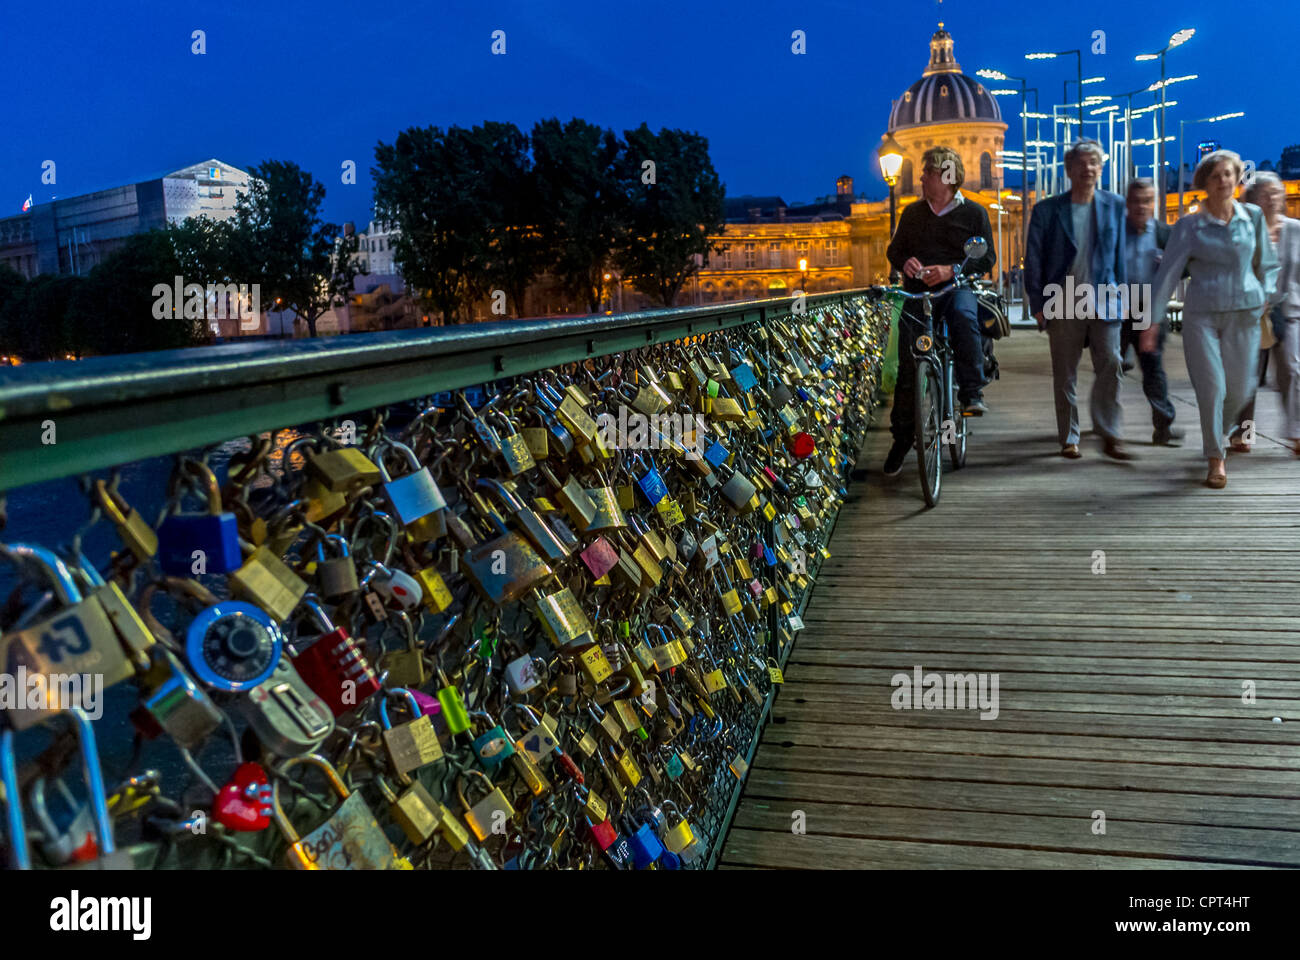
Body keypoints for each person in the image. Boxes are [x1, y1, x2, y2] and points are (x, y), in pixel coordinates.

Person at [1144, 150, 1279, 488]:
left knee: (1241, 388)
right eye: (1215, 175)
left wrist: (1267, 291)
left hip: (1245, 312)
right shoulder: (1190, 226)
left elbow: (1269, 264)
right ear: (1204, 183)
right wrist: (1152, 320)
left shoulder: (1253, 217)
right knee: (1211, 387)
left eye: (1228, 174)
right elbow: (1168, 274)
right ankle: (1215, 458)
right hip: (1202, 313)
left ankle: (1221, 433)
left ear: (1237, 179)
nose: (1223, 180)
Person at [880, 145, 995, 476]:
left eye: (927, 171)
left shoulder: (974, 214)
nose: (920, 177)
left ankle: (971, 392)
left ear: (946, 176)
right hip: (918, 297)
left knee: (963, 315)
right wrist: (906, 262)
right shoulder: (913, 214)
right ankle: (902, 441)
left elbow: (986, 258)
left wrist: (951, 270)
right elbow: (895, 251)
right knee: (907, 372)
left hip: (953, 289)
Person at [1024, 140, 1132, 460]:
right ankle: (1069, 436)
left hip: (1105, 299)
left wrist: (1124, 297)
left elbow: (1119, 257)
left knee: (1111, 364)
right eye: (1081, 163)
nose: (1088, 168)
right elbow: (1034, 259)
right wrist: (1039, 305)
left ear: (1101, 169)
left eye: (1094, 163)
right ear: (1069, 170)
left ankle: (1109, 430)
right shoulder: (1047, 210)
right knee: (1065, 373)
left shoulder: (1114, 205)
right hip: (1064, 299)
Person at [1229, 171, 1300, 456]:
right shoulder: (1243, 229)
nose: (1272, 198)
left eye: (1277, 192)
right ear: (1252, 198)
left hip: (1290, 310)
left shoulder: (1295, 229)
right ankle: (1244, 433)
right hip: (1252, 313)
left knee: (1294, 370)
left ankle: (1296, 433)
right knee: (1248, 376)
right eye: (1265, 193)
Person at [1118, 178, 1183, 445]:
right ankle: (1107, 424)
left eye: (1147, 200)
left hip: (1149, 305)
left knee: (1153, 369)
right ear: (1128, 203)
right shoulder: (1116, 232)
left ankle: (1163, 426)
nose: (1141, 206)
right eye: (1136, 200)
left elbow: (1182, 268)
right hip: (1116, 305)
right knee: (1108, 369)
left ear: (1153, 203)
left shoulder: (1164, 234)